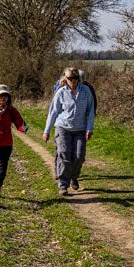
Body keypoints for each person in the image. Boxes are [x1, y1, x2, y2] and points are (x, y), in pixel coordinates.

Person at [43, 67, 95, 195]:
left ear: (79, 79)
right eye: (70, 78)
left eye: (75, 78)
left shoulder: (86, 91)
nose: (72, 81)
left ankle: (74, 176)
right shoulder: (61, 92)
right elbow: (53, 112)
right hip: (63, 128)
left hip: (80, 129)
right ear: (65, 79)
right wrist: (47, 130)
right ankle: (63, 185)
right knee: (64, 154)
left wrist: (89, 128)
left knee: (79, 156)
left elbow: (90, 111)